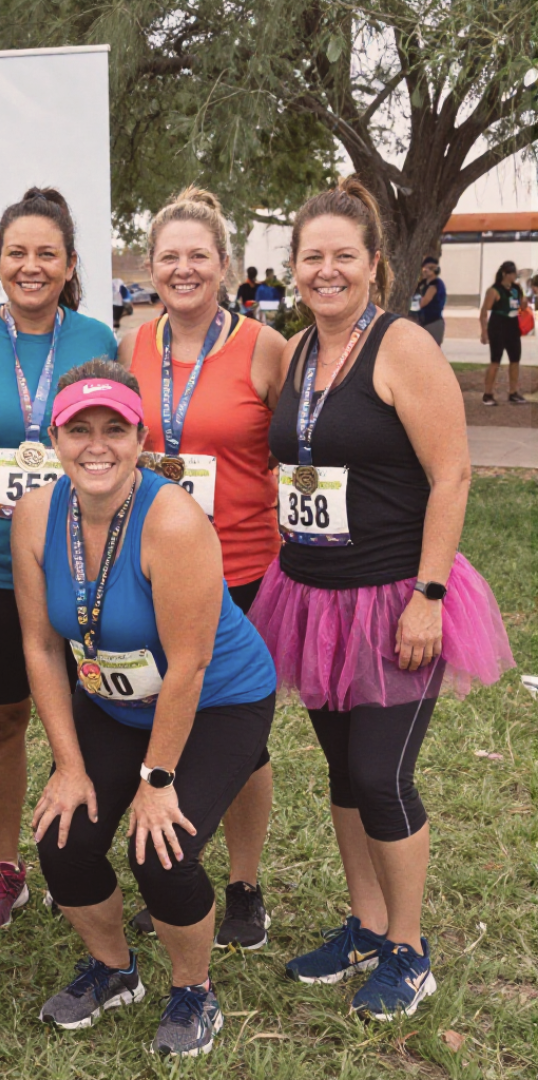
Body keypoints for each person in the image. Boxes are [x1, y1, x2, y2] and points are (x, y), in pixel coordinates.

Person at [248, 177, 514, 1021]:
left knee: (382, 772)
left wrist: (429, 594)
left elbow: (453, 473)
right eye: (312, 257)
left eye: (343, 257)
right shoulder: (294, 351)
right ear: (293, 266)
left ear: (374, 265)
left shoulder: (403, 348)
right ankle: (364, 926)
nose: (327, 271)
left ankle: (409, 947)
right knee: (342, 772)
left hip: (397, 593)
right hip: (313, 594)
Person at [11, 361, 276, 1057]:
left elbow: (188, 664)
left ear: (141, 439)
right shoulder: (38, 514)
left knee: (161, 851)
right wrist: (69, 765)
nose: (97, 445)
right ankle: (114, 967)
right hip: (110, 698)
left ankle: (193, 988)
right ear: (55, 438)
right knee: (62, 842)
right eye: (79, 429)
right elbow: (41, 646)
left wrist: (155, 782)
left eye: (114, 429)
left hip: (219, 697)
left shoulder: (175, 521)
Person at [0, 187, 117, 928]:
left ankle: (83, 859)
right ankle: (7, 866)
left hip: (84, 567)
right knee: (0, 718)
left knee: (97, 717)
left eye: (47, 254)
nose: (31, 267)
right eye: (17, 253)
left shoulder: (98, 337)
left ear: (70, 264)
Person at [118, 187, 287, 949]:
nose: (183, 269)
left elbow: (300, 450)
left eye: (198, 256)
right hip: (151, 567)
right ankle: (173, 867)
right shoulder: (134, 342)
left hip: (245, 567)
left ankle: (244, 883)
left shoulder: (265, 346)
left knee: (243, 737)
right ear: (151, 267)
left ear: (224, 265)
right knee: (167, 717)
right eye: (169, 257)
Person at [480, 260, 530, 405]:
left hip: (513, 325)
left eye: (515, 273)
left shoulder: (516, 288)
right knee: (495, 361)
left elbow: (521, 306)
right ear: (505, 274)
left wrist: (524, 303)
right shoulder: (494, 290)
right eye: (512, 273)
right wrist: (484, 332)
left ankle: (513, 392)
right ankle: (488, 394)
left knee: (515, 360)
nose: (514, 276)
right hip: (498, 325)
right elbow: (484, 311)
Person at [410, 256, 446, 345]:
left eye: (430, 268)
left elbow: (422, 303)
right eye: (425, 267)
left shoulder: (435, 285)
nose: (426, 270)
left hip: (433, 322)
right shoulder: (423, 283)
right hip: (423, 322)